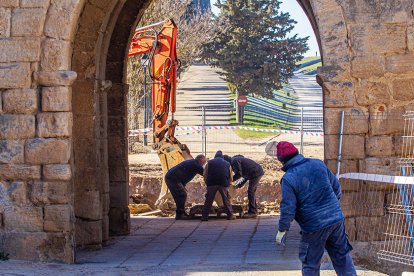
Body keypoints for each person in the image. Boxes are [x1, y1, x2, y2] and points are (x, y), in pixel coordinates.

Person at [275, 141, 356, 276]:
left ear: (282, 161)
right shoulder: (318, 164)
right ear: (296, 153)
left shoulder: (288, 179)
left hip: (314, 227)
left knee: (311, 264)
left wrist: (282, 229)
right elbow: (336, 188)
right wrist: (331, 209)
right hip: (336, 220)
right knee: (342, 257)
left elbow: (288, 208)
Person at [165, 155, 207, 220]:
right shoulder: (196, 165)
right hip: (173, 179)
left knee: (181, 194)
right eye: (204, 162)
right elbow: (205, 174)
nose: (204, 164)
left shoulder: (193, 162)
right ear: (201, 160)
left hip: (173, 178)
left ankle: (181, 213)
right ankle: (180, 215)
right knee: (182, 194)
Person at [201, 151, 235, 221]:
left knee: (209, 200)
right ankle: (230, 215)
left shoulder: (209, 162)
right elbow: (230, 176)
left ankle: (204, 216)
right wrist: (229, 184)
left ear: (215, 156)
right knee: (226, 199)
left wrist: (207, 183)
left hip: (211, 182)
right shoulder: (227, 164)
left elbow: (205, 174)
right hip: (223, 182)